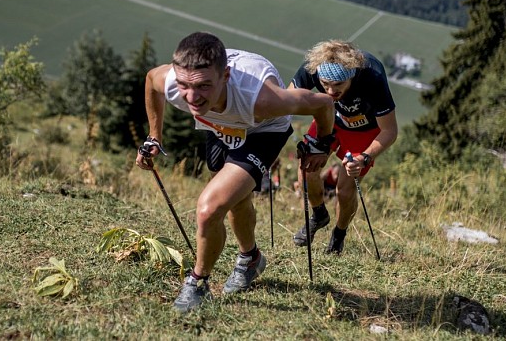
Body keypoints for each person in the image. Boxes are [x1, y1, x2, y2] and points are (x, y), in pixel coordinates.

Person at [135, 32, 335, 313]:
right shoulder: (174, 84)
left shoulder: (264, 100)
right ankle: (251, 258)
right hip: (220, 125)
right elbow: (151, 81)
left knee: (209, 208)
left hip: (262, 129)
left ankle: (198, 283)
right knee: (236, 200)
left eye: (204, 86)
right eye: (184, 85)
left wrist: (321, 145)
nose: (192, 97)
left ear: (225, 76)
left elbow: (324, 104)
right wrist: (154, 136)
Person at [291, 40, 397, 255]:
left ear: (352, 76)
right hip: (329, 121)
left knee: (345, 189)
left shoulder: (371, 76)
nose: (330, 91)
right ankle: (319, 214)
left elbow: (390, 131)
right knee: (306, 170)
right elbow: (287, 100)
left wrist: (365, 158)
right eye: (325, 84)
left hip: (364, 131)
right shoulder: (313, 66)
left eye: (338, 85)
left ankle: (339, 234)